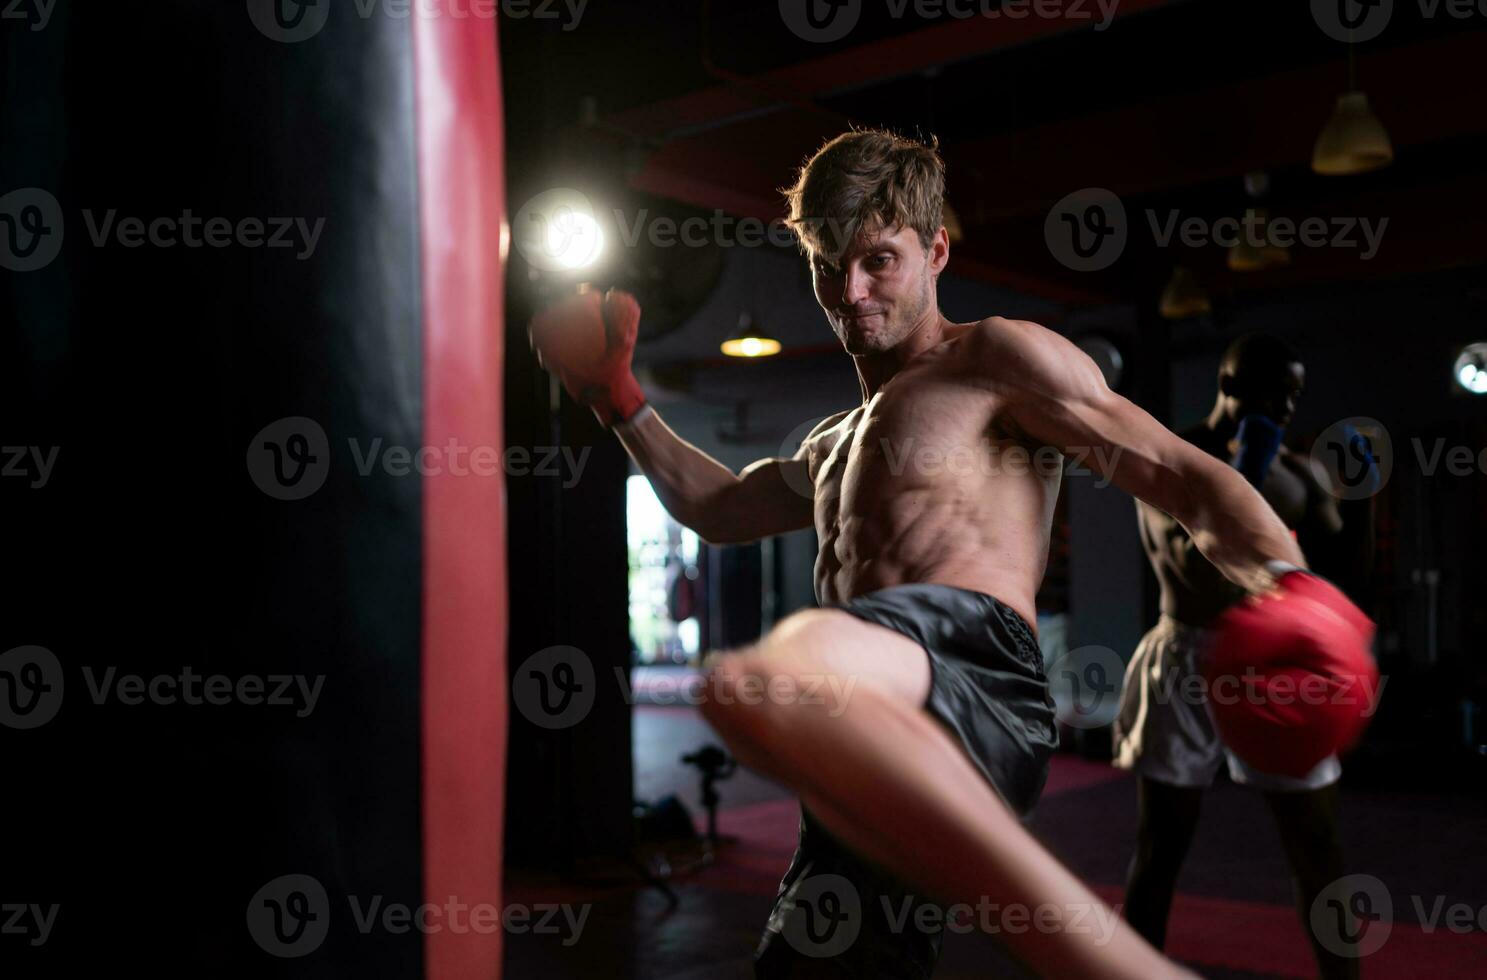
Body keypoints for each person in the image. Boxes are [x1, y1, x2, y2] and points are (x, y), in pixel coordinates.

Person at [529, 129, 1370, 979]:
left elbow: (1184, 478)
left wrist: (1291, 585)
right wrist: (619, 401)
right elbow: (717, 507)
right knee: (816, 962)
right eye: (826, 266)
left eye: (878, 261)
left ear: (935, 250)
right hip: (868, 707)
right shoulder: (831, 442)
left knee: (774, 676)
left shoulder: (995, 359)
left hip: (974, 671)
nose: (849, 292)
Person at [1114, 334, 1371, 979]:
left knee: (1316, 843)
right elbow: (1182, 560)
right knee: (1162, 846)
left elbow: (1340, 572)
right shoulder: (1172, 456)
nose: (1284, 408)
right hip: (1188, 659)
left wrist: (1357, 501)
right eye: (1270, 393)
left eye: (1294, 395)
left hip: (1274, 664)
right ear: (1227, 386)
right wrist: (1244, 477)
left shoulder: (1299, 469)